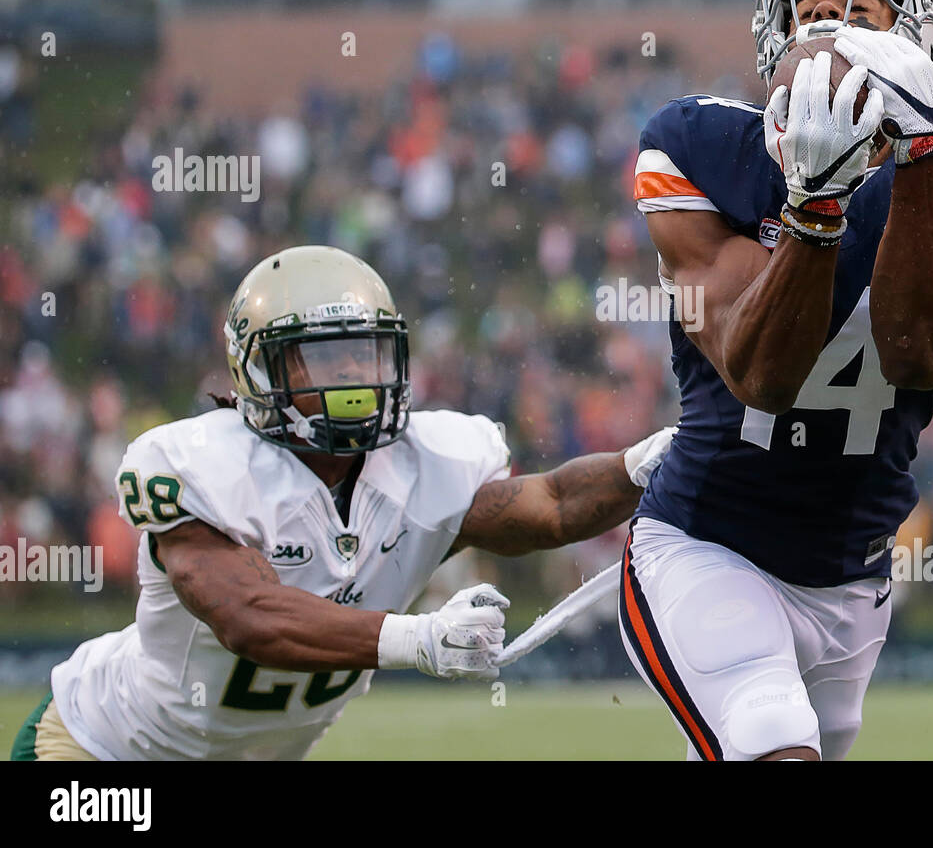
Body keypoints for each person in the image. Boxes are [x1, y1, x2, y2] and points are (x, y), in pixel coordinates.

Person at [621, 0, 933, 760]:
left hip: (854, 578)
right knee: (775, 743)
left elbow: (917, 351)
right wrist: (815, 206)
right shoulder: (703, 151)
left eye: (858, 16)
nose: (829, 39)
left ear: (920, 51)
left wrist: (922, 156)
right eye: (811, 20)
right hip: (708, 542)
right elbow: (761, 376)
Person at [11, 245, 673, 760]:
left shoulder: (424, 464)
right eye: (324, 362)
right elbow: (248, 617)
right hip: (102, 749)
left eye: (364, 355)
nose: (353, 376)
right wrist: (417, 638)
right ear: (260, 372)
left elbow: (552, 505)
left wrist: (640, 465)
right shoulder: (205, 467)